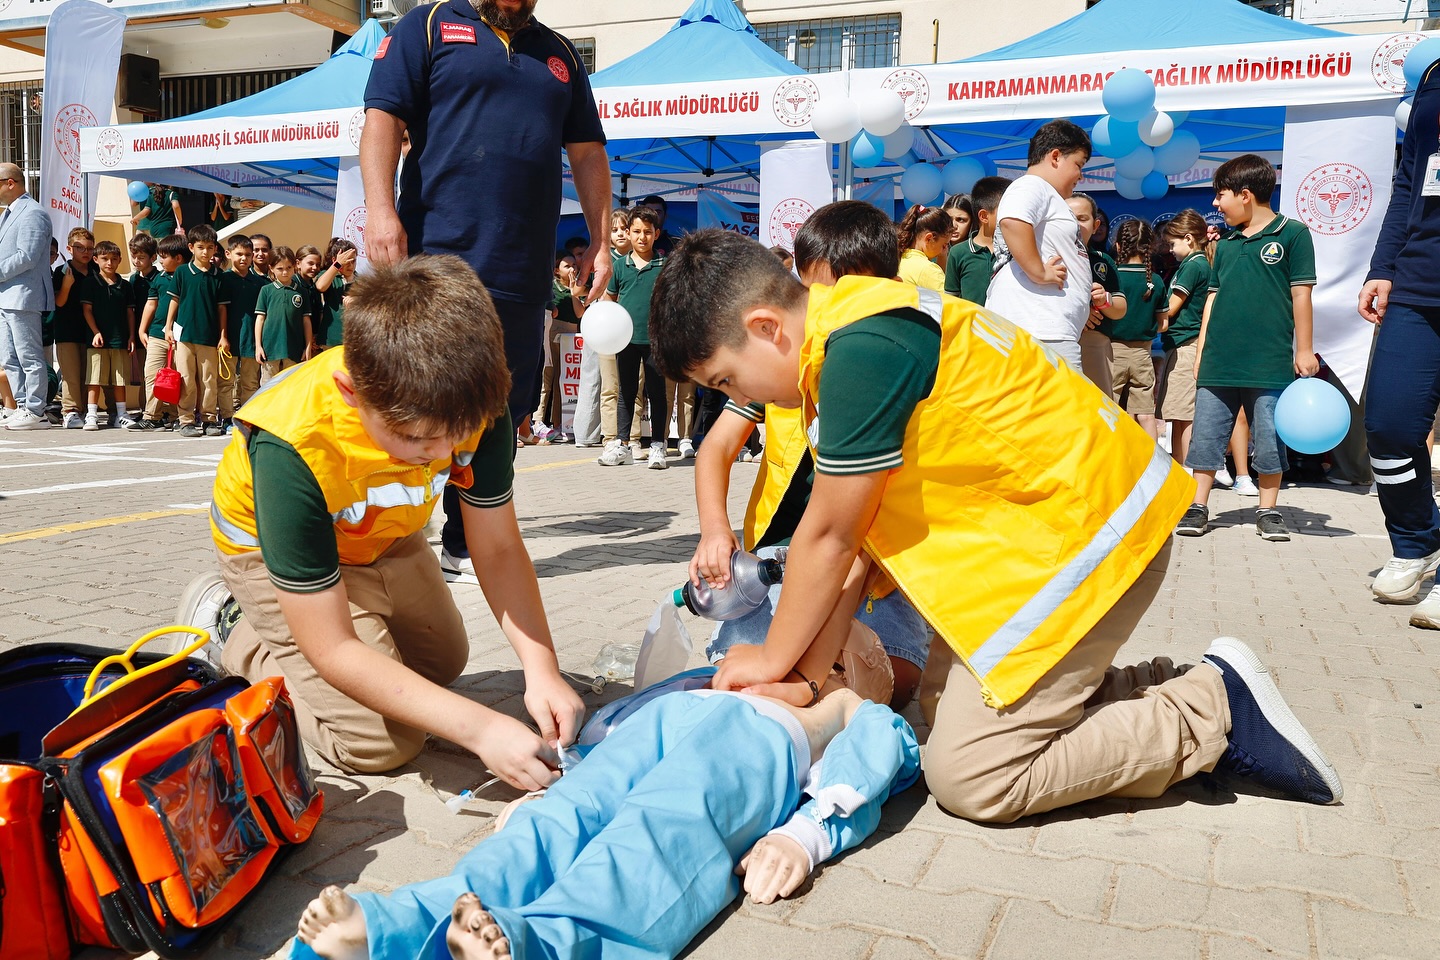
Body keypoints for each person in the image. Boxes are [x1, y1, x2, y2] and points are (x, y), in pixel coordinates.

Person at [649, 228, 1343, 826]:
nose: (737, 401)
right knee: (939, 708)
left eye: (725, 380)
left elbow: (826, 541)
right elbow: (854, 552)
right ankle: (1167, 681)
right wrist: (804, 677)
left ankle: (1211, 710)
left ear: (767, 328)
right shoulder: (853, 324)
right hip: (1048, 542)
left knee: (971, 775)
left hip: (1088, 546)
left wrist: (774, 663)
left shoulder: (856, 352)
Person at [203, 254, 584, 777]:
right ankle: (234, 629)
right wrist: (479, 729)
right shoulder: (292, 441)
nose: (440, 452)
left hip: (384, 538)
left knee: (441, 665)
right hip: (276, 557)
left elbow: (496, 547)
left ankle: (350, 628)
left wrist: (543, 672)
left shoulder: (472, 399)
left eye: (454, 434)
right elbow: (333, 646)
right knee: (381, 745)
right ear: (351, 393)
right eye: (415, 438)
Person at [293, 673, 917, 960]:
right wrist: (562, 783)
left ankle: (549, 945)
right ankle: (398, 927)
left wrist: (804, 836)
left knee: (661, 833)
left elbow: (873, 759)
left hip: (753, 750)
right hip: (652, 732)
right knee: (556, 825)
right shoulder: (719, 673)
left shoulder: (837, 703)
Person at [361, 0, 613, 581]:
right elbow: (382, 119)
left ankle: (464, 541)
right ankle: (390, 540)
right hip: (437, 256)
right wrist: (378, 210)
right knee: (417, 399)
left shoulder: (560, 53)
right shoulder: (425, 26)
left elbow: (587, 152)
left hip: (523, 270)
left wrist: (601, 241)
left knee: (503, 410)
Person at [692, 201, 935, 710]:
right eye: (818, 291)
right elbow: (716, 447)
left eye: (847, 293)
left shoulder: (869, 350)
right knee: (743, 673)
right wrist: (716, 530)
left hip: (877, 571)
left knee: (885, 679)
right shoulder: (778, 365)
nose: (831, 308)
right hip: (787, 556)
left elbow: (841, 544)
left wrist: (797, 673)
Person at [1175, 154, 1317, 543]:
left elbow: (1301, 295)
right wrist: (1203, 349)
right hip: (1219, 359)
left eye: (1221, 195)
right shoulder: (1224, 245)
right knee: (1206, 435)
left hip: (1269, 361)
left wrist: (1304, 350)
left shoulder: (1293, 234)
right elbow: (1212, 300)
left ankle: (1268, 509)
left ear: (1246, 194)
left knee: (1269, 438)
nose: (1216, 205)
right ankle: (1198, 504)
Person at [1359, 52, 1440, 627]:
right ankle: (1416, 540)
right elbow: (1409, 179)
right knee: (1388, 424)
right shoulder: (1435, 78)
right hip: (1418, 278)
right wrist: (1383, 264)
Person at [986, 119, 1093, 374]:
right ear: (1055, 156)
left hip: (1046, 328)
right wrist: (1039, 271)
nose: (1081, 175)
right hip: (1039, 327)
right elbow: (1013, 220)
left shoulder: (1045, 193)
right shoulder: (1032, 185)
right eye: (1078, 164)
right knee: (1065, 411)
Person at [599, 206, 669, 469]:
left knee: (656, 393)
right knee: (626, 393)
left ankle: (657, 446)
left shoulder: (664, 266)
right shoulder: (620, 266)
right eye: (637, 231)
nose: (642, 237)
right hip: (625, 341)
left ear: (657, 234)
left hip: (655, 342)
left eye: (648, 232)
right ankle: (622, 444)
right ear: (628, 233)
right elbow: (609, 301)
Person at [0, 161, 56, 431]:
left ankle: (36, 409)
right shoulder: (7, 214)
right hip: (5, 296)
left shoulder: (33, 212)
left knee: (29, 356)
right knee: (9, 356)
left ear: (11, 183)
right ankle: (22, 405)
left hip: (23, 295)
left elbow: (27, 256)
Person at [1156, 210, 1213, 468]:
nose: (1170, 250)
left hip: (1187, 346)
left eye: (1172, 243)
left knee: (1186, 415)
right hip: (1179, 345)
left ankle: (1188, 470)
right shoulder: (1192, 264)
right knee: (1177, 415)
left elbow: (1170, 308)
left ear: (1189, 238)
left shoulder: (1193, 265)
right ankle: (1180, 467)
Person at [165, 224, 230, 438]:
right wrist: (168, 327)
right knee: (186, 378)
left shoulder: (219, 276)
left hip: (209, 337)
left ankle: (210, 419)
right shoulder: (183, 272)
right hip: (184, 336)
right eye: (201, 247)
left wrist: (222, 336)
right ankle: (186, 420)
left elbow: (222, 308)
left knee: (208, 380)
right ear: (191, 247)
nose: (205, 252)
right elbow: (174, 300)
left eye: (210, 247)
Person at [1106, 218, 1163, 438]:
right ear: (1150, 247)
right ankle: (1154, 465)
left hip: (1113, 353)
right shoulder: (1155, 280)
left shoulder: (1112, 277)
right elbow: (1163, 324)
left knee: (1111, 410)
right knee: (1146, 414)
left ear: (1118, 245)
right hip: (1143, 353)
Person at [595, 208, 643, 457]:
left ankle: (632, 437)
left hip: (635, 335)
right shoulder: (604, 261)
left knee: (633, 387)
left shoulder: (640, 261)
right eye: (614, 230)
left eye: (625, 228)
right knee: (610, 387)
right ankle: (610, 437)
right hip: (606, 333)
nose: (621, 234)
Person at [1069, 191, 1125, 398]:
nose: (1074, 224)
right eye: (1067, 217)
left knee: (1098, 407)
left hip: (1094, 343)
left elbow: (1120, 308)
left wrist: (1104, 301)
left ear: (1096, 225)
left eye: (1082, 219)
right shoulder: (1041, 259)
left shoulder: (1102, 262)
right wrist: (1080, 313)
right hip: (1054, 339)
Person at [130, 233, 188, 431]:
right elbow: (151, 303)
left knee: (179, 376)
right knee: (152, 374)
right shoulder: (159, 279)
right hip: (156, 334)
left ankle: (176, 416)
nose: (161, 261)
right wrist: (142, 329)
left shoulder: (188, 275)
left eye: (164, 257)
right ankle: (151, 416)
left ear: (178, 258)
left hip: (182, 336)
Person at [78, 240, 135, 430]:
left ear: (119, 260)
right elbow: (87, 310)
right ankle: (92, 415)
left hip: (120, 339)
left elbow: (129, 313)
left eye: (113, 259)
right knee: (94, 378)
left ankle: (121, 415)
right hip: (97, 341)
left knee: (119, 380)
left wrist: (131, 336)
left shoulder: (125, 286)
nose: (109, 263)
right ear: (96, 259)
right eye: (104, 259)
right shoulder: (90, 283)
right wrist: (95, 332)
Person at [535, 253, 586, 443]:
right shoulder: (552, 287)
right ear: (557, 270)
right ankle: (538, 421)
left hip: (572, 336)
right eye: (567, 266)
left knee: (564, 381)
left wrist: (573, 290)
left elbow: (580, 313)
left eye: (574, 264)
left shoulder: (578, 287)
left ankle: (561, 424)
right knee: (548, 378)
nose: (572, 268)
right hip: (554, 332)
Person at [219, 234, 267, 420]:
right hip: (228, 339)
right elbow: (220, 310)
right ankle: (226, 417)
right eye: (239, 254)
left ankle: (246, 418)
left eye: (248, 254)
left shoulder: (260, 283)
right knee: (226, 382)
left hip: (251, 341)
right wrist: (222, 336)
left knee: (250, 383)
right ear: (228, 254)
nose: (244, 258)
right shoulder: (223, 280)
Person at [52, 227, 95, 429]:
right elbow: (58, 302)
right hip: (66, 331)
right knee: (70, 375)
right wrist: (67, 285)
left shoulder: (97, 271)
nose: (85, 252)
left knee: (88, 374)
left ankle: (87, 410)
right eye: (80, 248)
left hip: (91, 332)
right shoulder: (62, 272)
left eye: (89, 248)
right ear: (70, 248)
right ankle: (70, 411)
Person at [944, 176, 1009, 306]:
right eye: (1005, 210)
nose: (954, 225)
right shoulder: (958, 253)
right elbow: (951, 301)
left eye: (961, 219)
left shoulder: (1015, 250)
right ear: (983, 216)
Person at [254, 246, 313, 380]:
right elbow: (260, 319)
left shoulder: (301, 292)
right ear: (271, 268)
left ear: (294, 267)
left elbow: (306, 321)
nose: (285, 272)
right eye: (280, 269)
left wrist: (308, 347)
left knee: (291, 385)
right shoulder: (266, 290)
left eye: (289, 268)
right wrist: (258, 346)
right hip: (270, 349)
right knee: (268, 388)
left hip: (294, 349)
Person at [314, 238, 358, 353]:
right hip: (331, 338)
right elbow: (320, 286)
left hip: (353, 340)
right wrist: (337, 265)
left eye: (353, 261)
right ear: (334, 260)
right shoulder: (329, 275)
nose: (350, 265)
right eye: (346, 261)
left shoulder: (361, 281)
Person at [895, 204, 951, 292]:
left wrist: (942, 257)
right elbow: (951, 301)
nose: (944, 250)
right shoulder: (928, 270)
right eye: (944, 245)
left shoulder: (899, 259)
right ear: (929, 238)